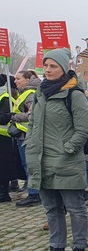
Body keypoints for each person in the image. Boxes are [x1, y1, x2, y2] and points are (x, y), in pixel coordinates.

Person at [26, 48, 88, 251]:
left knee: (75, 208)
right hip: (41, 161)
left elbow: (83, 129)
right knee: (52, 209)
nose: (47, 69)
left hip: (66, 161)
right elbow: (33, 122)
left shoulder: (74, 94)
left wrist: (68, 149)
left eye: (53, 66)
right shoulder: (40, 93)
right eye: (45, 65)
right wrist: (30, 144)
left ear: (64, 68)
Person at [11, 70, 42, 207]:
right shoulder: (24, 93)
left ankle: (34, 194)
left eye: (18, 78)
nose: (15, 81)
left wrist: (12, 116)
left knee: (29, 165)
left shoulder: (29, 94)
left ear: (28, 80)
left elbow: (32, 114)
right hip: (22, 135)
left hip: (26, 136)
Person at [0, 74, 23, 203]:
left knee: (3, 168)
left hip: (4, 137)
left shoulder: (6, 98)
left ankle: (4, 193)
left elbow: (5, 117)